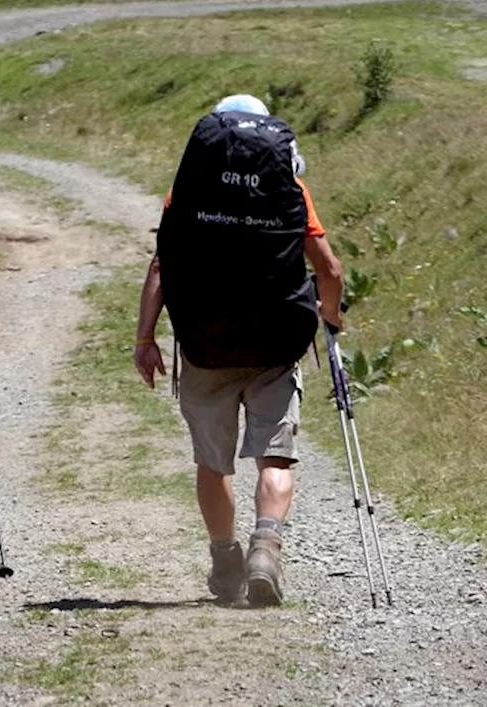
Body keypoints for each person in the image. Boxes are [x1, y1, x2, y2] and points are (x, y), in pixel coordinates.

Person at [133, 94, 344, 607]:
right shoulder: (288, 188)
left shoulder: (186, 191)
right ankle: (265, 550)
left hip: (206, 346)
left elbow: (161, 268)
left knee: (214, 463)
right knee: (275, 457)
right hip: (276, 343)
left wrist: (145, 338)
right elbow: (329, 270)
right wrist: (331, 317)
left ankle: (225, 555)